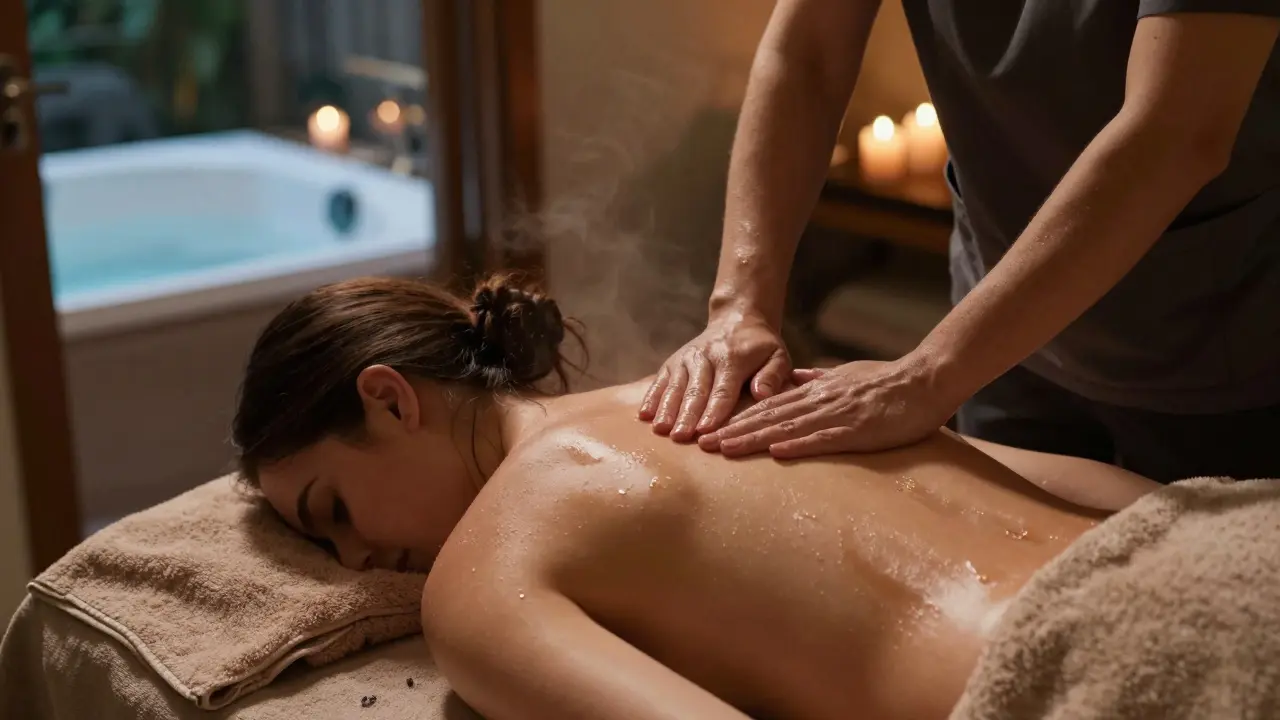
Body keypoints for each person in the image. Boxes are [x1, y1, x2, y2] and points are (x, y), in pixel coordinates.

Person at [232, 276, 1158, 719]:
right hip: (1201, 566)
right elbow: (1110, 493)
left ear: (390, 399)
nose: (352, 563)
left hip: (1091, 687)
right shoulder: (739, 386)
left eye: (332, 512)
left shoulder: (481, 579)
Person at [639, 2, 1280, 484]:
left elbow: (1176, 131)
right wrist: (739, 305)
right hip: (1002, 342)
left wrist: (926, 376)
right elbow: (808, 54)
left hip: (1222, 344)